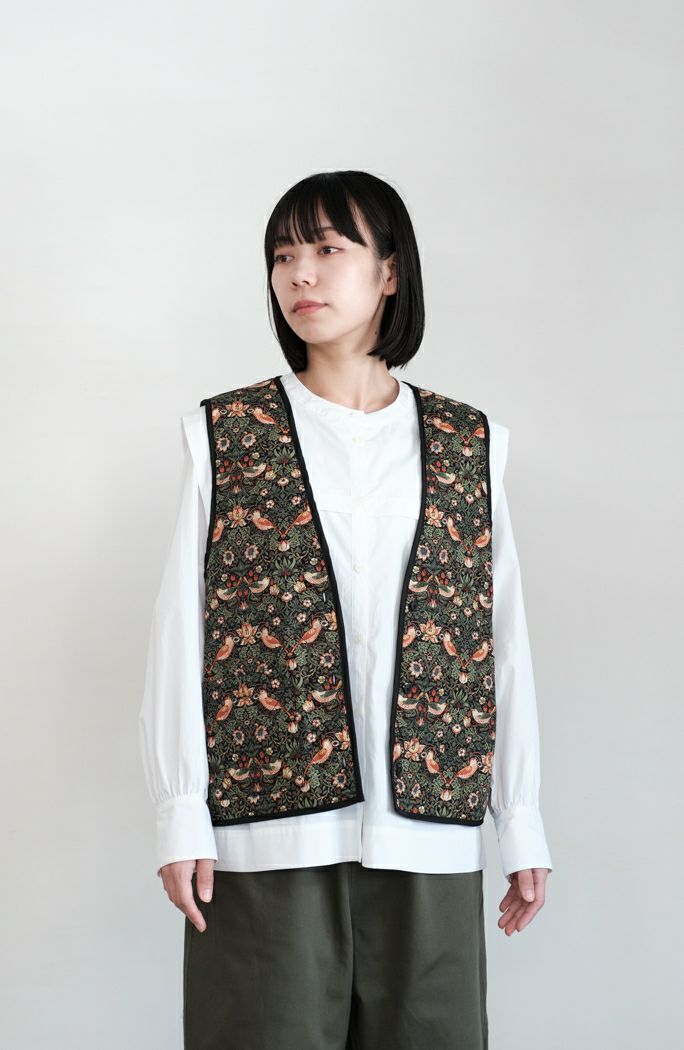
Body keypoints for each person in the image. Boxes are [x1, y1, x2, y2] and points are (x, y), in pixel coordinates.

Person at [139, 170, 553, 1050]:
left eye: (328, 249)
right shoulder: (222, 435)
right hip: (266, 841)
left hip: (429, 837)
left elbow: (499, 642)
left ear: (390, 271)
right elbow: (182, 633)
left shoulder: (470, 443)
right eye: (283, 255)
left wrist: (519, 821)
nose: (301, 273)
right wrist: (181, 810)